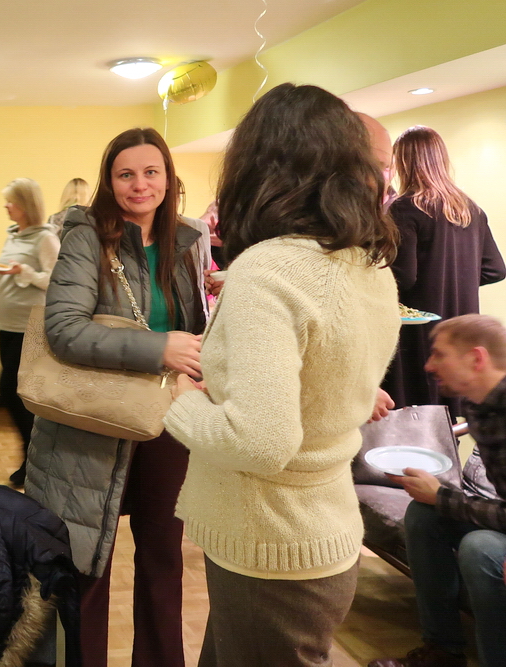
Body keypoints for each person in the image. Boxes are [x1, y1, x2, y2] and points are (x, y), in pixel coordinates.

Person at [162, 83, 401, 667]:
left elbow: (261, 441)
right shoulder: (368, 264)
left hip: (273, 544)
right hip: (318, 533)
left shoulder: (269, 271)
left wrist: (178, 399)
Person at [24, 127, 211, 667]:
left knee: (164, 559)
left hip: (168, 419)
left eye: (151, 172)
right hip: (92, 421)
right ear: (109, 181)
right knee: (86, 564)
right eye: (126, 174)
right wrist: (161, 349)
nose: (140, 184)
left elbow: (195, 327)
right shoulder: (86, 236)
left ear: (169, 178)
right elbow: (64, 329)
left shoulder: (188, 240)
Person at [370, 314, 506, 667]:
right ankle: (442, 651)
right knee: (424, 514)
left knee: (481, 548)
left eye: (440, 354)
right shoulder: (480, 404)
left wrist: (443, 496)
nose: (429, 365)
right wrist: (438, 499)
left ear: (476, 358)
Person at [382, 125, 505, 420]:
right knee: (450, 421)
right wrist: (455, 281)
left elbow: (404, 277)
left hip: (417, 335)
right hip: (460, 332)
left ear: (403, 162)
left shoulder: (403, 209)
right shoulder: (471, 210)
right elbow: (496, 269)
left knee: (416, 422)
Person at [0, 177, 60, 487]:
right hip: (8, 325)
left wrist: (24, 271)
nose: (6, 206)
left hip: (30, 326)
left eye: (11, 201)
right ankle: (32, 458)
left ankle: (34, 459)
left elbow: (54, 280)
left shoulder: (45, 238)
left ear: (26, 205)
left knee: (14, 391)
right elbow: (8, 275)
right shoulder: (15, 235)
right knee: (13, 391)